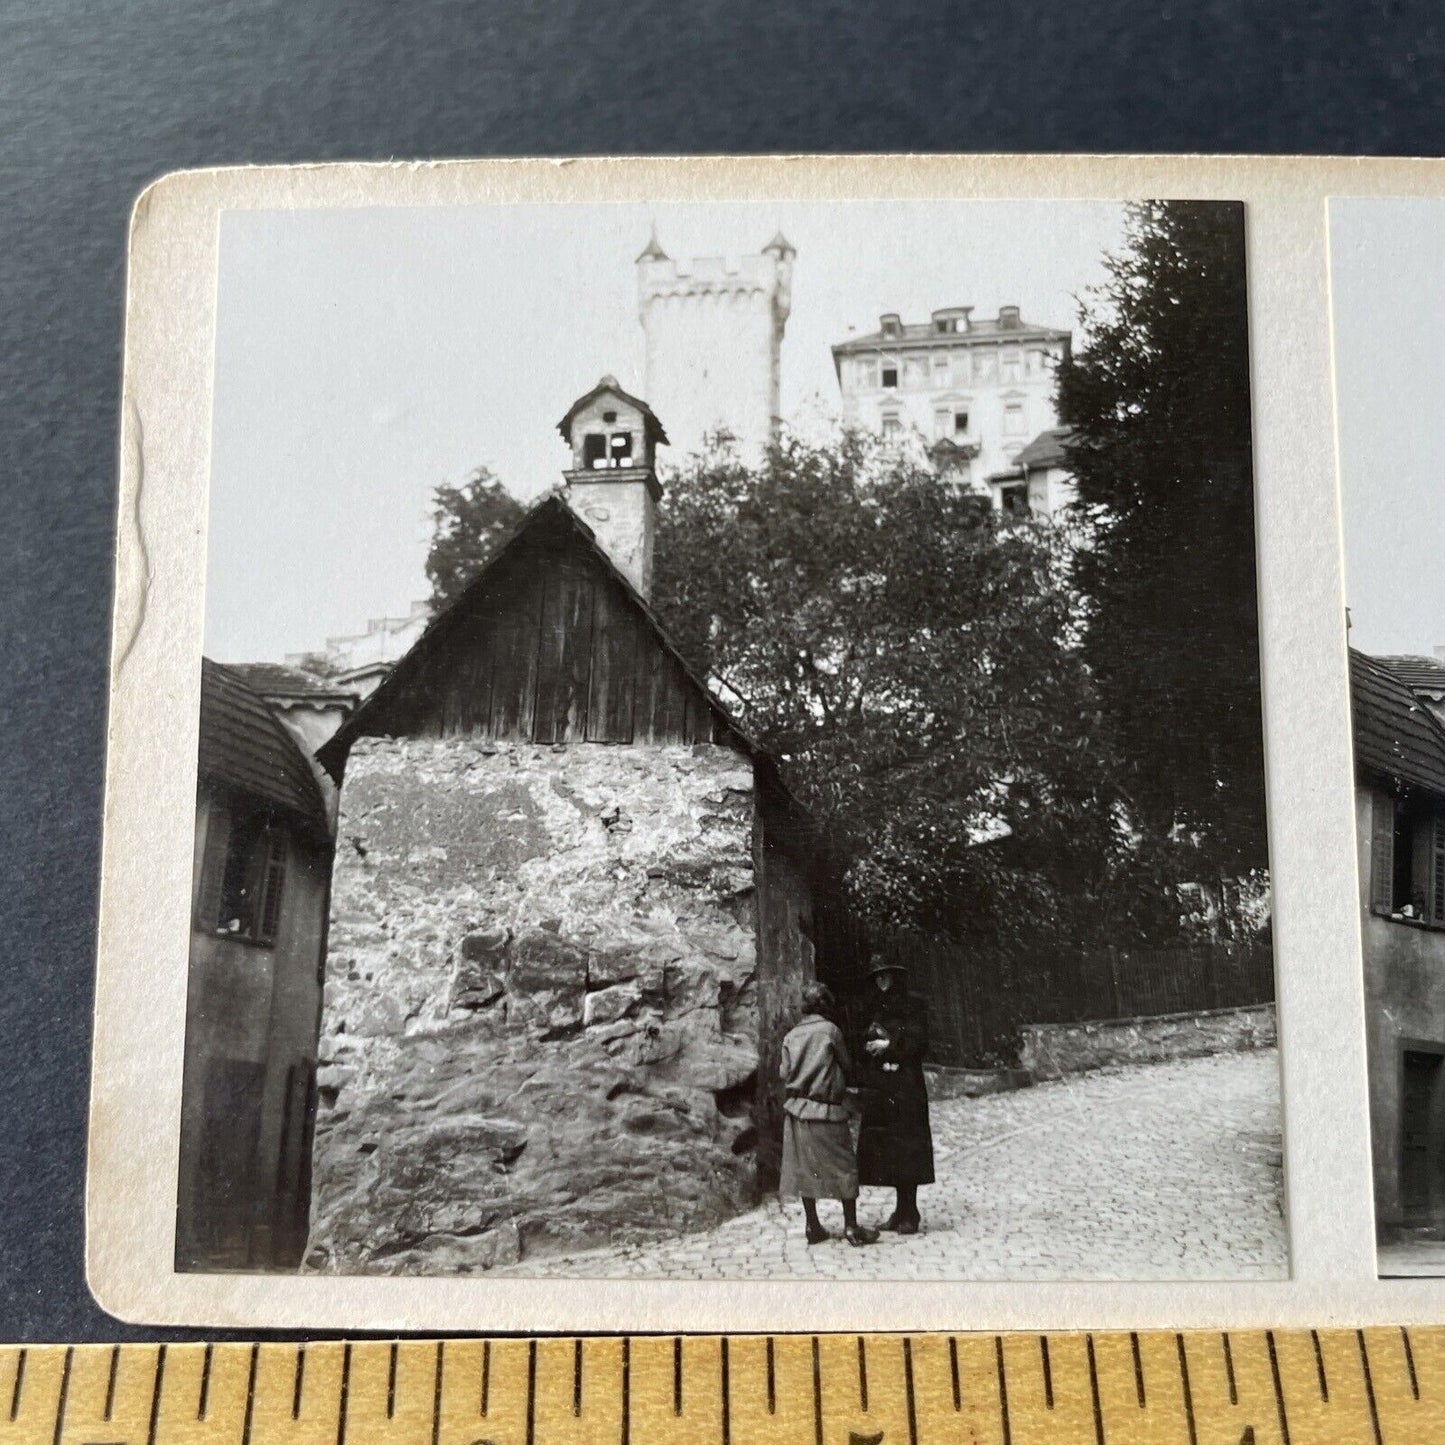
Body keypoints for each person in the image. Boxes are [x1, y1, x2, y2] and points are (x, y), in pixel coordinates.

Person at [778, 981, 879, 1246]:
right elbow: (845, 1064)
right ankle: (850, 1227)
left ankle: (813, 1226)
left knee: (804, 1169)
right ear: (825, 1005)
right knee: (844, 1166)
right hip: (826, 1110)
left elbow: (783, 1073)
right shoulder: (830, 1031)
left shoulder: (791, 1036)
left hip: (798, 1111)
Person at [855, 956, 934, 1234]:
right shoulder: (875, 1006)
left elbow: (919, 1041)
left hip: (906, 1086)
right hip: (884, 1087)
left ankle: (910, 1212)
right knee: (889, 1149)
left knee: (908, 1147)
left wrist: (889, 1044)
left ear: (896, 976)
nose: (881, 981)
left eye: (885, 976)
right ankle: (899, 1211)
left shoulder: (914, 1004)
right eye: (877, 977)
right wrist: (870, 1044)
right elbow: (862, 1035)